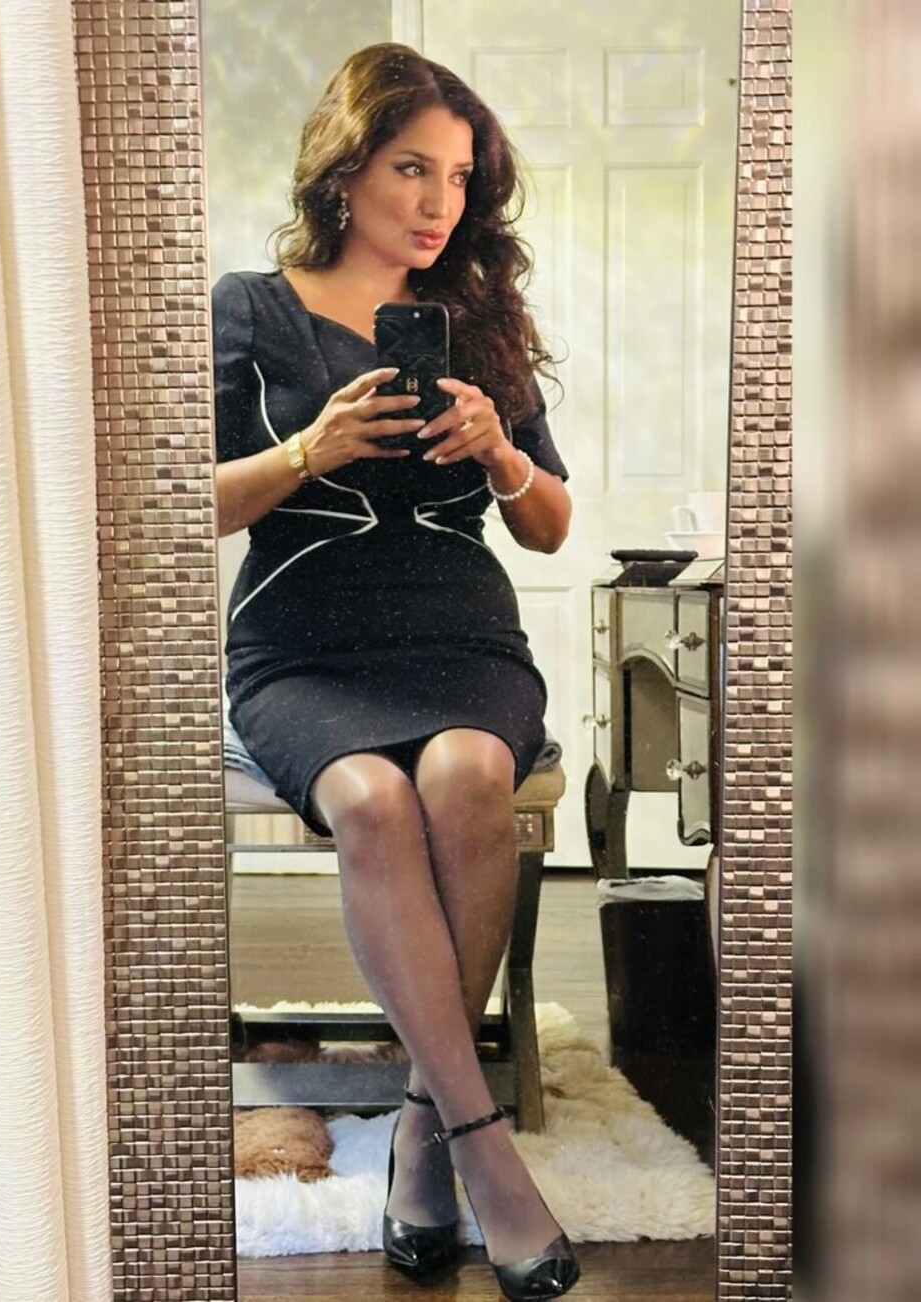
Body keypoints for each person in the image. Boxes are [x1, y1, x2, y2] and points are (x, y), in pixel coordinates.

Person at [214, 43, 579, 1300]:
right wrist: (307, 451)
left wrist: (502, 454)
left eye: (460, 178)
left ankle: (425, 1136)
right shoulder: (250, 309)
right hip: (301, 645)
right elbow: (183, 504)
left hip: (462, 636)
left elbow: (551, 526)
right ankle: (484, 1152)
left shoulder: (481, 322)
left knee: (471, 773)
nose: (438, 202)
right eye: (413, 168)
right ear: (347, 167)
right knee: (371, 797)